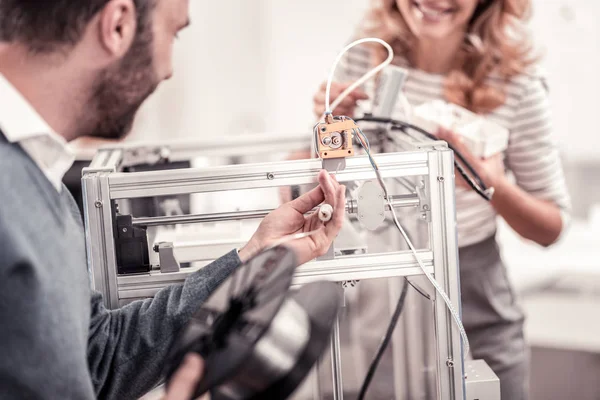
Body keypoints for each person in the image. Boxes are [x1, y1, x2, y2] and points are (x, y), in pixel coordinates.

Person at [0, 0, 346, 399]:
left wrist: (252, 257)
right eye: (174, 31)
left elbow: (100, 359)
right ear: (118, 25)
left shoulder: (46, 183)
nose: (168, 69)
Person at [313, 0, 571, 399]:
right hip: (382, 306)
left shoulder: (517, 82)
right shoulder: (366, 58)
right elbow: (322, 174)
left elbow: (552, 227)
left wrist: (489, 182)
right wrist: (325, 126)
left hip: (475, 301)